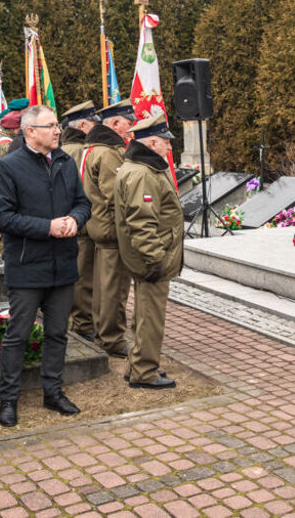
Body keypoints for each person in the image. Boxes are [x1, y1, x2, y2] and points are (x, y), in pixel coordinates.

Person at [0, 105, 91, 427]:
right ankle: (8, 400)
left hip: (62, 264)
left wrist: (75, 220)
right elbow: (2, 217)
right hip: (27, 266)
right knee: (17, 336)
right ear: (30, 131)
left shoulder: (65, 162)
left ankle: (53, 392)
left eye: (57, 125)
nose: (58, 130)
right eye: (50, 126)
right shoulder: (9, 167)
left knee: (58, 333)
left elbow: (83, 203)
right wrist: (46, 227)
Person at [115, 114, 183, 389]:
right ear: (153, 142)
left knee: (144, 314)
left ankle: (137, 365)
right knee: (151, 316)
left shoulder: (142, 168)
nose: (169, 147)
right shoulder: (142, 173)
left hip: (148, 255)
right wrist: (155, 258)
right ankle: (145, 372)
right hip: (152, 257)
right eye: (166, 142)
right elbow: (142, 221)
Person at [83, 100, 136, 355]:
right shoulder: (108, 152)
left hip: (100, 227)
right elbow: (115, 195)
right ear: (115, 124)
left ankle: (105, 333)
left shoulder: (96, 148)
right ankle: (112, 338)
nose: (130, 129)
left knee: (104, 285)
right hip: (111, 231)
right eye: (127, 124)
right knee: (113, 288)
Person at [58, 101, 100, 341]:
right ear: (83, 125)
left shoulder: (65, 148)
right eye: (92, 122)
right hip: (82, 223)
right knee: (83, 276)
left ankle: (82, 319)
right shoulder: (79, 151)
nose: (95, 126)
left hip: (72, 221)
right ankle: (83, 324)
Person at [0, 99, 28, 257]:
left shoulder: (4, 139)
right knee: (2, 248)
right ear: (17, 127)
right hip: (2, 203)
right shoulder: (6, 145)